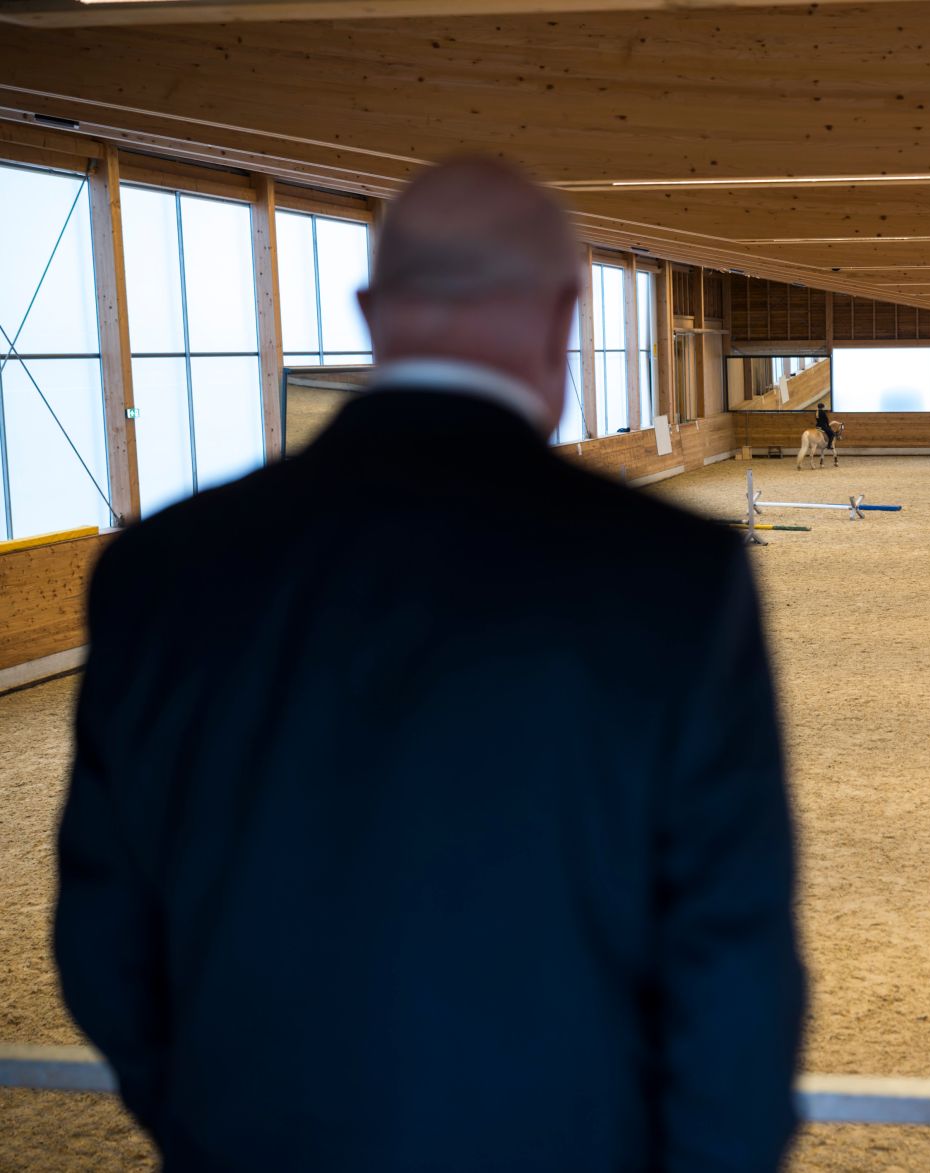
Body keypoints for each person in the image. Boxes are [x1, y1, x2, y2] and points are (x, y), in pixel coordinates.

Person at [55, 158, 805, 1172]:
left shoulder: (159, 571)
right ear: (564, 314)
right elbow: (734, 968)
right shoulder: (676, 575)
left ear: (371, 312)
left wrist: (215, 1124)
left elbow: (104, 945)